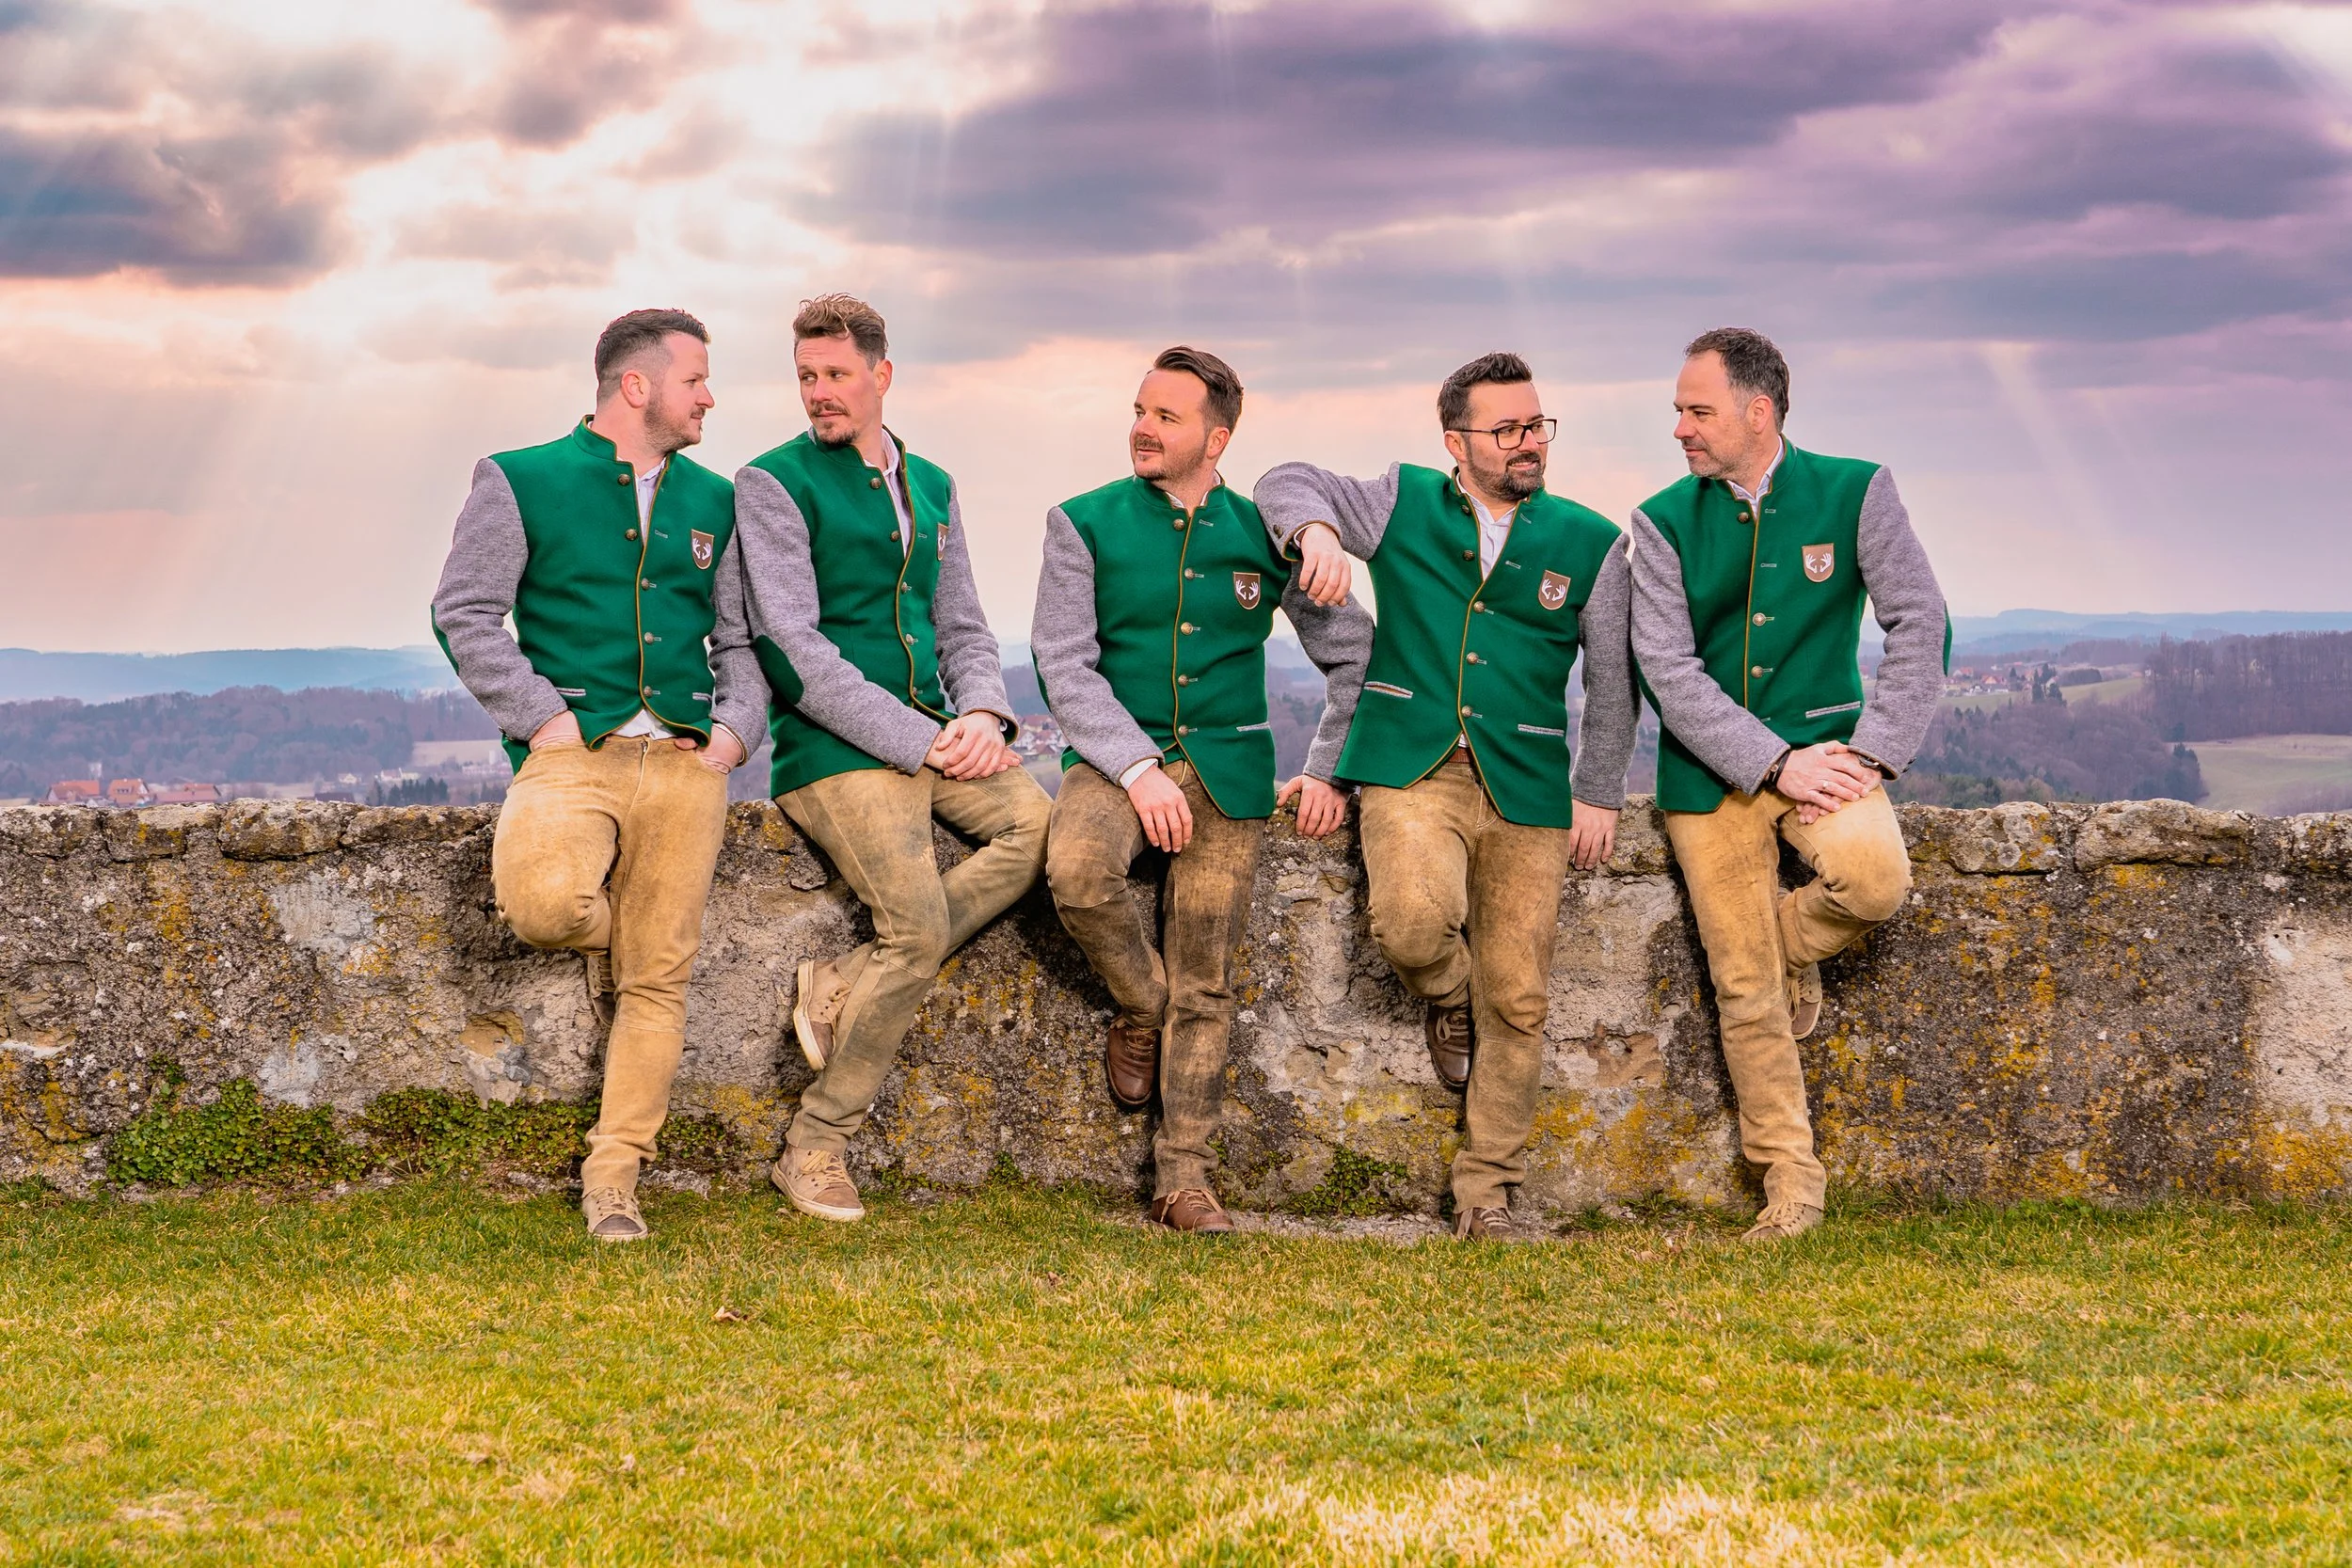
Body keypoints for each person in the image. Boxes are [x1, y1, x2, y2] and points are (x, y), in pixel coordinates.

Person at [1260, 352, 1638, 1241]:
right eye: (1506, 429)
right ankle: (1449, 995)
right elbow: (1284, 480)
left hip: (1528, 783)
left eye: (1536, 425)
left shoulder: (1592, 542)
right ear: (1455, 442)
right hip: (1410, 763)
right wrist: (1316, 533)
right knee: (1410, 925)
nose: (1528, 442)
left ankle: (1486, 1193)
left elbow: (1614, 682)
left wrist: (1599, 788)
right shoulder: (1401, 499)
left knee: (1522, 998)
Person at [432, 308, 757, 1243]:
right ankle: (633, 941)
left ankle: (613, 1178)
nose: (709, 396)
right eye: (695, 379)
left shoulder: (718, 498)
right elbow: (464, 610)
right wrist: (542, 718)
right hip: (572, 755)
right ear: (636, 385)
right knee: (543, 906)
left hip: (688, 763)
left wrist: (734, 732)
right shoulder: (520, 477)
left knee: (657, 982)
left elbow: (739, 638)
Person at [1032, 346, 1375, 1233]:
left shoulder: (1265, 535)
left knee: (1208, 977)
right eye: (1139, 411)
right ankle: (1140, 1007)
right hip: (1114, 761)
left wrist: (1329, 765)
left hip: (1231, 775)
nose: (1142, 428)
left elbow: (1354, 654)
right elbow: (1063, 665)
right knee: (1078, 874)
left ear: (1216, 438)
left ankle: (1183, 1180)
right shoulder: (1081, 523)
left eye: (1166, 416)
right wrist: (1136, 766)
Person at [730, 293, 1051, 1224]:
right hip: (834, 750)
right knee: (914, 928)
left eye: (835, 374)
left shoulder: (934, 484)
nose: (818, 393)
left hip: (936, 733)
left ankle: (844, 981)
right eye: (805, 376)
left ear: (881, 374)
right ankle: (815, 1145)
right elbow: (791, 647)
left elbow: (964, 626)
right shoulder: (772, 482)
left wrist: (983, 711)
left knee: (1039, 830)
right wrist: (921, 738)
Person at [1629, 327, 1948, 1242]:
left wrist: (1874, 752)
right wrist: (1773, 762)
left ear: (1758, 411)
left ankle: (1785, 950)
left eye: (1697, 410)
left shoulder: (1857, 490)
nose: (1681, 428)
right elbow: (1667, 668)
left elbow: (1919, 619)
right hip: (1709, 774)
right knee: (1743, 989)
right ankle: (1791, 1184)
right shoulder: (1658, 520)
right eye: (1679, 411)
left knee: (1876, 882)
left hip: (1834, 753)